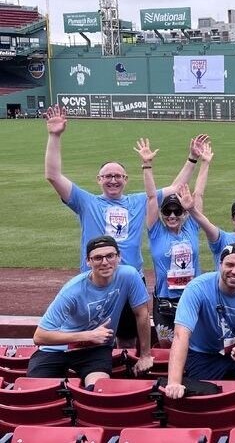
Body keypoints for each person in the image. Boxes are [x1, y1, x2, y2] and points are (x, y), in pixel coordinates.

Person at [44, 104, 207, 347]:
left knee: (130, 338)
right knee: (96, 338)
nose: (113, 180)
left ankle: (130, 376)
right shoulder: (86, 201)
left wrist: (193, 159)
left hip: (131, 279)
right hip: (97, 279)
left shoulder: (138, 201)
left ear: (126, 180)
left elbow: (175, 188)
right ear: (99, 180)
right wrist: (54, 135)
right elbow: (53, 175)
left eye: (118, 176)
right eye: (107, 176)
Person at [28, 235, 153, 387]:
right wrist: (89, 335)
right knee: (37, 392)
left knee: (97, 390)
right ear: (88, 261)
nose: (105, 262)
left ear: (119, 257)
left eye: (110, 256)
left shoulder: (130, 276)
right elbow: (39, 336)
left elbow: (142, 314)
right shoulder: (72, 291)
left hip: (95, 351)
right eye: (98, 258)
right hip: (56, 350)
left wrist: (145, 355)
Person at [165, 242, 235, 399]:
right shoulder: (197, 288)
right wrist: (173, 382)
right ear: (220, 264)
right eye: (229, 264)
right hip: (203, 353)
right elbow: (181, 335)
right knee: (201, 400)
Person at [137, 137, 213, 347]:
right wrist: (147, 165)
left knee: (195, 347)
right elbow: (152, 198)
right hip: (165, 302)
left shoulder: (191, 226)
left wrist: (205, 163)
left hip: (192, 299)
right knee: (168, 349)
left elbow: (199, 194)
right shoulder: (156, 231)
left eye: (177, 211)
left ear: (183, 213)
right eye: (167, 211)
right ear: (162, 214)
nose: (172, 215)